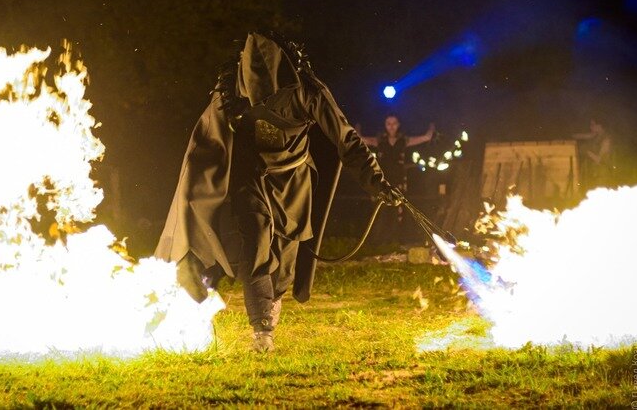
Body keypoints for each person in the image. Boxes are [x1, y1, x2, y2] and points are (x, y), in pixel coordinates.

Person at [155, 32, 401, 352]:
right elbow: (206, 144)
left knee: (284, 263)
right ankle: (262, 329)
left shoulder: (307, 92)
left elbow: (346, 139)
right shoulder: (230, 92)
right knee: (255, 242)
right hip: (251, 179)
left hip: (295, 183)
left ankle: (273, 302)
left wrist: (375, 180)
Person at [361, 115, 434, 243]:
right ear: (385, 125)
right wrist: (357, 127)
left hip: (398, 180)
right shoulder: (380, 140)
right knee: (382, 209)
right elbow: (363, 139)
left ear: (398, 124)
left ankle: (397, 239)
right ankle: (379, 240)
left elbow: (424, 138)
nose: (391, 126)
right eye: (388, 123)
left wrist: (431, 127)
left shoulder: (403, 140)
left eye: (394, 123)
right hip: (383, 179)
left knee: (398, 209)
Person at [573, 117, 615, 190]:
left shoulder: (606, 140)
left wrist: (587, 152)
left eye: (593, 125)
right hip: (594, 173)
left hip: (602, 175)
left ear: (599, 126)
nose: (590, 127)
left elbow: (599, 160)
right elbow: (581, 136)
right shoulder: (596, 135)